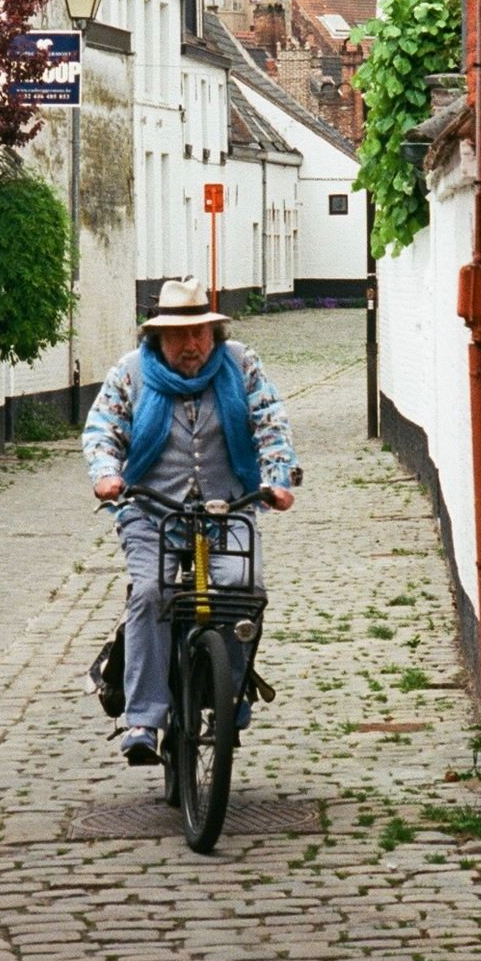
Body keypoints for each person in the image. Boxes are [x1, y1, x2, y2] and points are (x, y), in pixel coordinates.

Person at [82, 277, 300, 765]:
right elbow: (102, 431)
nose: (192, 345)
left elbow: (271, 422)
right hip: (152, 508)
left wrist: (277, 477)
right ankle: (143, 718)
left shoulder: (240, 365)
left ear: (215, 333)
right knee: (152, 592)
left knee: (245, 588)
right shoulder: (131, 373)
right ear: (157, 338)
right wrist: (107, 475)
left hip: (227, 509)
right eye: (179, 335)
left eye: (201, 333)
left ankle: (232, 689)